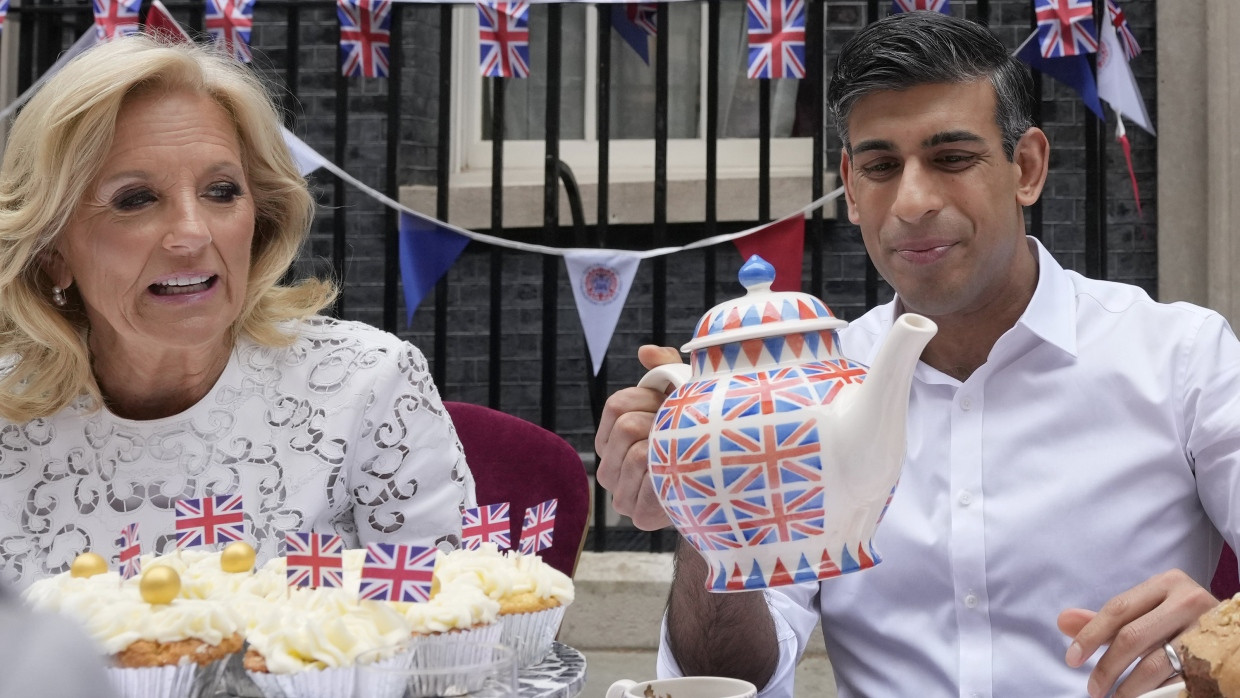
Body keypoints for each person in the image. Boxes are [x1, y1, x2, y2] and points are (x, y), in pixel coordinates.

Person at [595, 11, 1240, 698]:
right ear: (850, 186)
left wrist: (1220, 635)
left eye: (951, 158)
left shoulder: (1180, 358)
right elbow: (724, 678)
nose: (912, 200)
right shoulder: (798, 393)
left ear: (1026, 167)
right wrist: (711, 504)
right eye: (880, 166)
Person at [0, 35, 475, 590]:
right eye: (135, 199)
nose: (192, 234)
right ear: (53, 251)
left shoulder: (368, 385)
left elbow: (452, 639)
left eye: (221, 191)